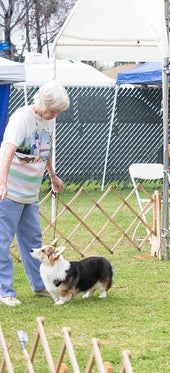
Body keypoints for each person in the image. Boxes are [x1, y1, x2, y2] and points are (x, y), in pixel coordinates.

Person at [0, 81, 69, 306]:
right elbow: (8, 151)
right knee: (2, 242)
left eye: (58, 112)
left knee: (33, 241)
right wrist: (2, 183)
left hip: (31, 192)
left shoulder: (50, 119)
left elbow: (45, 148)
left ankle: (40, 285)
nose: (55, 115)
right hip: (9, 191)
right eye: (53, 110)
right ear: (43, 103)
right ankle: (6, 291)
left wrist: (52, 175)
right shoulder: (22, 119)